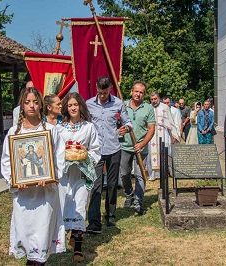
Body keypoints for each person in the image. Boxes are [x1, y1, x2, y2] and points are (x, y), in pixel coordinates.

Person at [0, 87, 66, 265]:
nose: (32, 106)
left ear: (41, 106)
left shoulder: (52, 131)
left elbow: (60, 159)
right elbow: (7, 162)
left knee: (41, 235)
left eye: (35, 102)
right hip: (23, 196)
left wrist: (51, 175)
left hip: (45, 195)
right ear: (22, 105)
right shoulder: (14, 133)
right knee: (26, 234)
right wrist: (14, 180)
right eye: (27, 102)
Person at [56, 92, 101, 262]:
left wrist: (86, 155)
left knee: (80, 206)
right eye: (70, 105)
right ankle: (67, 236)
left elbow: (96, 149)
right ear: (66, 108)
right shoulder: (60, 128)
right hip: (65, 175)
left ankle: (78, 247)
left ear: (80, 106)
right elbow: (55, 150)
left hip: (81, 173)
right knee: (65, 205)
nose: (73, 108)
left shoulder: (88, 127)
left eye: (76, 104)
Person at [86, 76, 132, 233]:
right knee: (95, 185)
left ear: (110, 89)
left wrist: (126, 128)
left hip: (114, 148)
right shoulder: (89, 104)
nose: (102, 96)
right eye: (100, 93)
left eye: (105, 93)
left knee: (112, 185)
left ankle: (111, 215)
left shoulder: (118, 103)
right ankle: (93, 220)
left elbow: (128, 122)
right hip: (96, 150)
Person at [120, 81, 155, 215]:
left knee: (140, 176)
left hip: (141, 148)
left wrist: (142, 144)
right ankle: (129, 194)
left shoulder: (148, 108)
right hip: (125, 146)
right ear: (131, 92)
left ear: (144, 94)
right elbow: (116, 122)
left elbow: (151, 129)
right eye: (136, 91)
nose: (138, 94)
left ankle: (138, 203)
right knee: (124, 173)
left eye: (141, 92)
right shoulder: (123, 106)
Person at [148, 92, 179, 181]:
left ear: (158, 98)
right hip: (152, 132)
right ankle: (153, 174)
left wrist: (174, 134)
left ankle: (164, 173)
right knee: (152, 153)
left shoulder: (165, 107)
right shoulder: (148, 108)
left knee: (164, 152)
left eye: (155, 99)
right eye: (152, 99)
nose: (154, 101)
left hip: (163, 132)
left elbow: (170, 121)